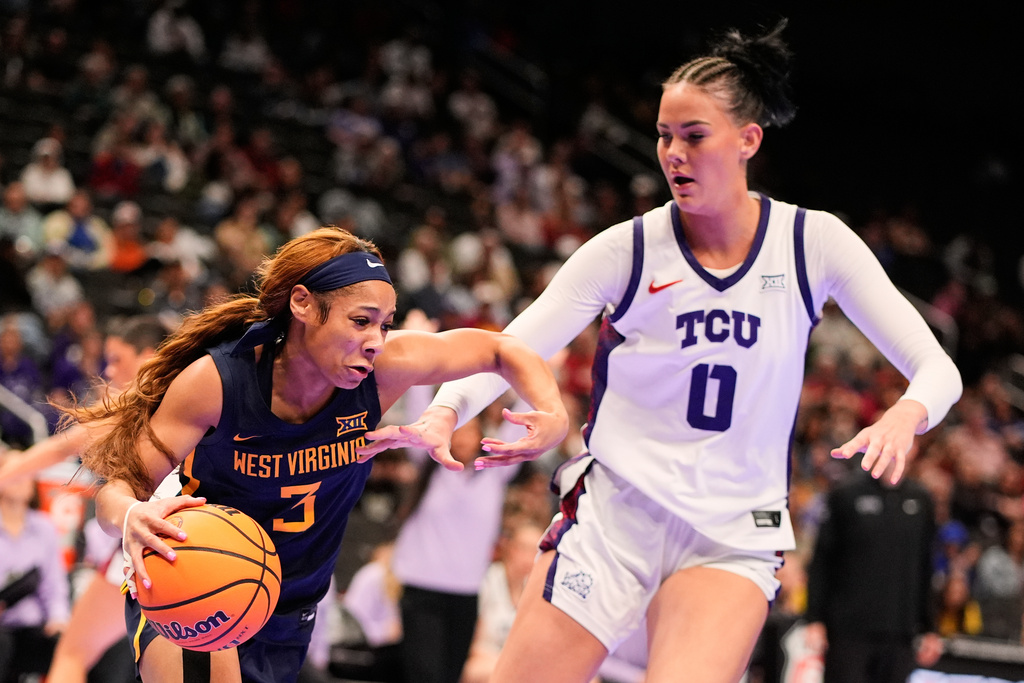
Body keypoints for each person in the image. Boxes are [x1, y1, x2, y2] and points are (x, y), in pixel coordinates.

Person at [358, 20, 963, 683]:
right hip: (617, 515)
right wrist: (446, 410)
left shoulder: (811, 244)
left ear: (748, 140)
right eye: (663, 135)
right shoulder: (630, 248)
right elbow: (514, 346)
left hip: (731, 533)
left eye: (694, 136)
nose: (673, 153)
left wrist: (907, 413)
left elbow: (937, 368)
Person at [73, 226, 568, 683]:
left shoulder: (384, 369)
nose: (376, 342)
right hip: (199, 579)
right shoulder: (218, 381)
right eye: (361, 321)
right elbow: (118, 489)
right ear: (303, 304)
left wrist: (553, 411)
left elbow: (500, 349)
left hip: (290, 608)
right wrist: (131, 515)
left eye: (386, 325)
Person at [0, 315, 171, 683]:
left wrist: (6, 474)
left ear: (148, 358)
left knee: (73, 654)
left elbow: (62, 446)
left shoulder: (144, 402)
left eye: (117, 359)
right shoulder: (201, 395)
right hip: (196, 542)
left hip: (145, 544)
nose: (109, 371)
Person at [803, 449, 943, 683]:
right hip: (848, 630)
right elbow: (822, 561)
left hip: (900, 632)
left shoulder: (921, 500)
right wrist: (814, 618)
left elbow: (926, 567)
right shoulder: (846, 494)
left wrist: (930, 628)